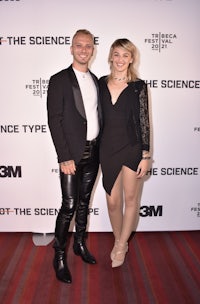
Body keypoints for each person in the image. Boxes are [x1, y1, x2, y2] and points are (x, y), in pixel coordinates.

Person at [47, 29, 102, 284]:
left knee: (84, 203)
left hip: (94, 152)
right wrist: (64, 156)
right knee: (69, 205)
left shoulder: (96, 80)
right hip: (71, 155)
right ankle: (59, 254)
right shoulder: (59, 80)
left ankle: (79, 244)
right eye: (78, 45)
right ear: (71, 48)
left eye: (88, 46)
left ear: (93, 49)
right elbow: (54, 120)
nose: (83, 49)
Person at [99, 38, 150, 268]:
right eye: (117, 54)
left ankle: (120, 245)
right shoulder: (99, 83)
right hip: (107, 148)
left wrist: (146, 156)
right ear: (111, 56)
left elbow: (144, 122)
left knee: (130, 199)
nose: (120, 59)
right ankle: (120, 238)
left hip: (132, 148)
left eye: (125, 55)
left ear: (131, 59)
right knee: (112, 202)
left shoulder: (139, 86)